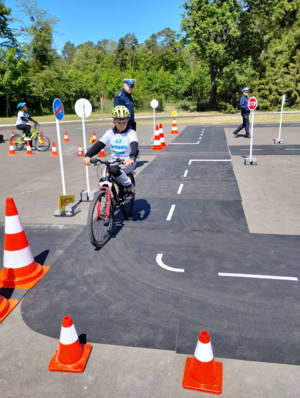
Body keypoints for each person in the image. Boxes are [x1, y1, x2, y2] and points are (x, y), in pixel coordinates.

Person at [83, 105, 138, 198]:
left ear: (128, 121)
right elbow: (99, 144)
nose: (121, 125)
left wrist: (132, 158)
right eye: (119, 122)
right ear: (114, 121)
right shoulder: (110, 133)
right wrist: (88, 155)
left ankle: (128, 185)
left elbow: (134, 145)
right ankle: (106, 206)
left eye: (124, 122)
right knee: (103, 182)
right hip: (113, 162)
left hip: (127, 162)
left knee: (114, 169)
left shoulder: (131, 133)